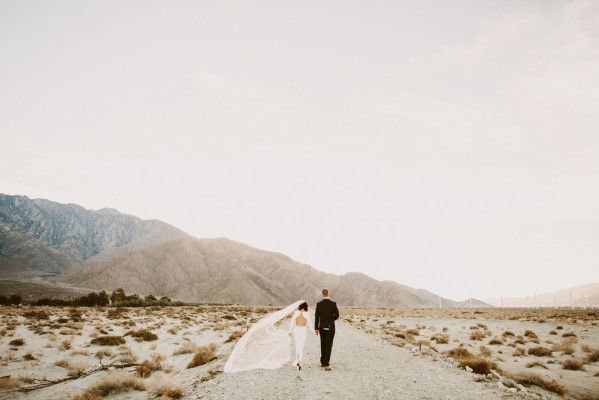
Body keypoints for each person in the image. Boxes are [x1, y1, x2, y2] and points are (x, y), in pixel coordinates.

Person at [315, 288, 339, 371]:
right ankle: (326, 364)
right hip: (330, 327)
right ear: (328, 294)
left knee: (323, 344)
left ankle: (322, 362)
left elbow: (316, 317)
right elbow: (337, 315)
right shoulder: (333, 304)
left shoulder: (319, 304)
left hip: (321, 327)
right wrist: (331, 320)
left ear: (322, 295)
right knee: (329, 345)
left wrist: (316, 328)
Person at [288, 301, 315, 371]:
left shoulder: (296, 313)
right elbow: (310, 324)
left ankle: (297, 361)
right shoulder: (306, 314)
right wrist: (314, 332)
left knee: (297, 346)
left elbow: (292, 323)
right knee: (301, 346)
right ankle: (299, 362)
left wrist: (290, 331)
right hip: (303, 330)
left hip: (296, 330)